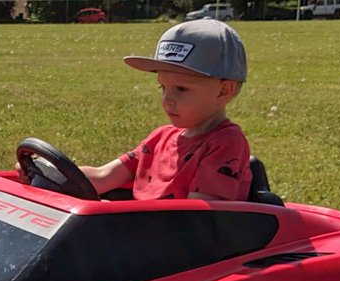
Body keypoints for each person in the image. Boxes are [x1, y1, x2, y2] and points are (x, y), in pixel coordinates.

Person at [81, 19, 252, 201]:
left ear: (223, 91)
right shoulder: (159, 139)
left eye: (181, 89)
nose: (167, 100)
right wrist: (57, 177)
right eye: (163, 88)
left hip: (177, 227)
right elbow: (103, 175)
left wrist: (117, 216)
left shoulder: (225, 143)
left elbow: (199, 216)